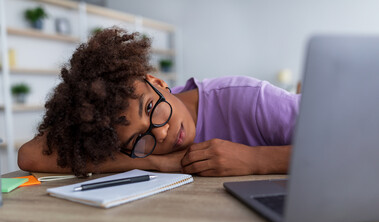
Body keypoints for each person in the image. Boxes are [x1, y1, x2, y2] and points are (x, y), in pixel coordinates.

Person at [17, 27, 300, 177]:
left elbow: (342, 147)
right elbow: (30, 155)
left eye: (151, 108)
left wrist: (254, 160)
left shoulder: (248, 100)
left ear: (158, 82)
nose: (161, 132)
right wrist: (153, 162)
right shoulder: (143, 149)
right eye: (140, 138)